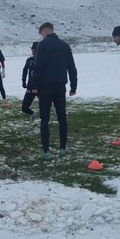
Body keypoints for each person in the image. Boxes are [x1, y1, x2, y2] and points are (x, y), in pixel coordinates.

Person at [30, 22, 77, 160]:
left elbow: (38, 67)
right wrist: (73, 86)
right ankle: (62, 147)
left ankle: (46, 151)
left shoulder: (43, 45)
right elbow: (72, 67)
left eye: (41, 33)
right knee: (62, 117)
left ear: (45, 31)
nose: (42, 36)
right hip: (60, 86)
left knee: (45, 119)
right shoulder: (64, 45)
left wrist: (34, 85)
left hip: (45, 87)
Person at [21, 42, 39, 120]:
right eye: (32, 49)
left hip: (40, 87)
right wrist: (23, 81)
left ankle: (44, 120)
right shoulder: (29, 60)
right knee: (24, 108)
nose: (32, 51)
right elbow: (25, 70)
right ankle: (32, 113)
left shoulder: (43, 60)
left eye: (34, 49)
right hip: (30, 86)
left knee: (44, 106)